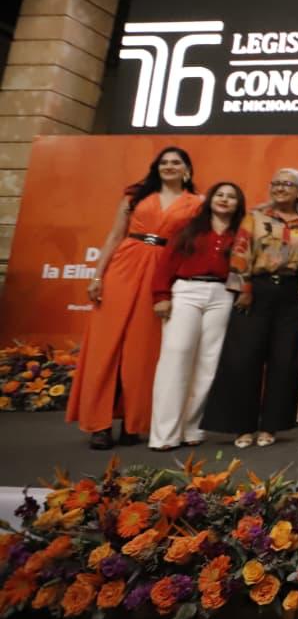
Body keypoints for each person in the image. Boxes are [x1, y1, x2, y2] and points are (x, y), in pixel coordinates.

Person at [69, 146, 202, 450]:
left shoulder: (196, 204)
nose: (169, 166)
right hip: (124, 266)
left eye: (176, 162)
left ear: (187, 169)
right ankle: (100, 425)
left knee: (143, 351)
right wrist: (98, 275)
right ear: (156, 168)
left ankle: (133, 423)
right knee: (106, 348)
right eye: (164, 162)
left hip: (162, 271)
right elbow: (114, 236)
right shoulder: (135, 197)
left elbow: (192, 247)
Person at [201, 168, 298, 449]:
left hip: (291, 294)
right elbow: (241, 252)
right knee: (244, 359)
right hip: (256, 290)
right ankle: (242, 426)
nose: (280, 188)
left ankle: (271, 426)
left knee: (284, 361)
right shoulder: (255, 217)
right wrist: (244, 288)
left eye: (287, 184)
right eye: (276, 183)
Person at [148, 181, 244, 451]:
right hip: (186, 291)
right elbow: (166, 263)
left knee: (209, 363)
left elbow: (243, 269)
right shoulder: (188, 227)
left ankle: (191, 428)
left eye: (231, 196)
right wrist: (161, 296)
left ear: (238, 204)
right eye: (220, 194)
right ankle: (164, 435)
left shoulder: (241, 233)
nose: (224, 199)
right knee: (176, 357)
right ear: (210, 199)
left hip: (222, 294)